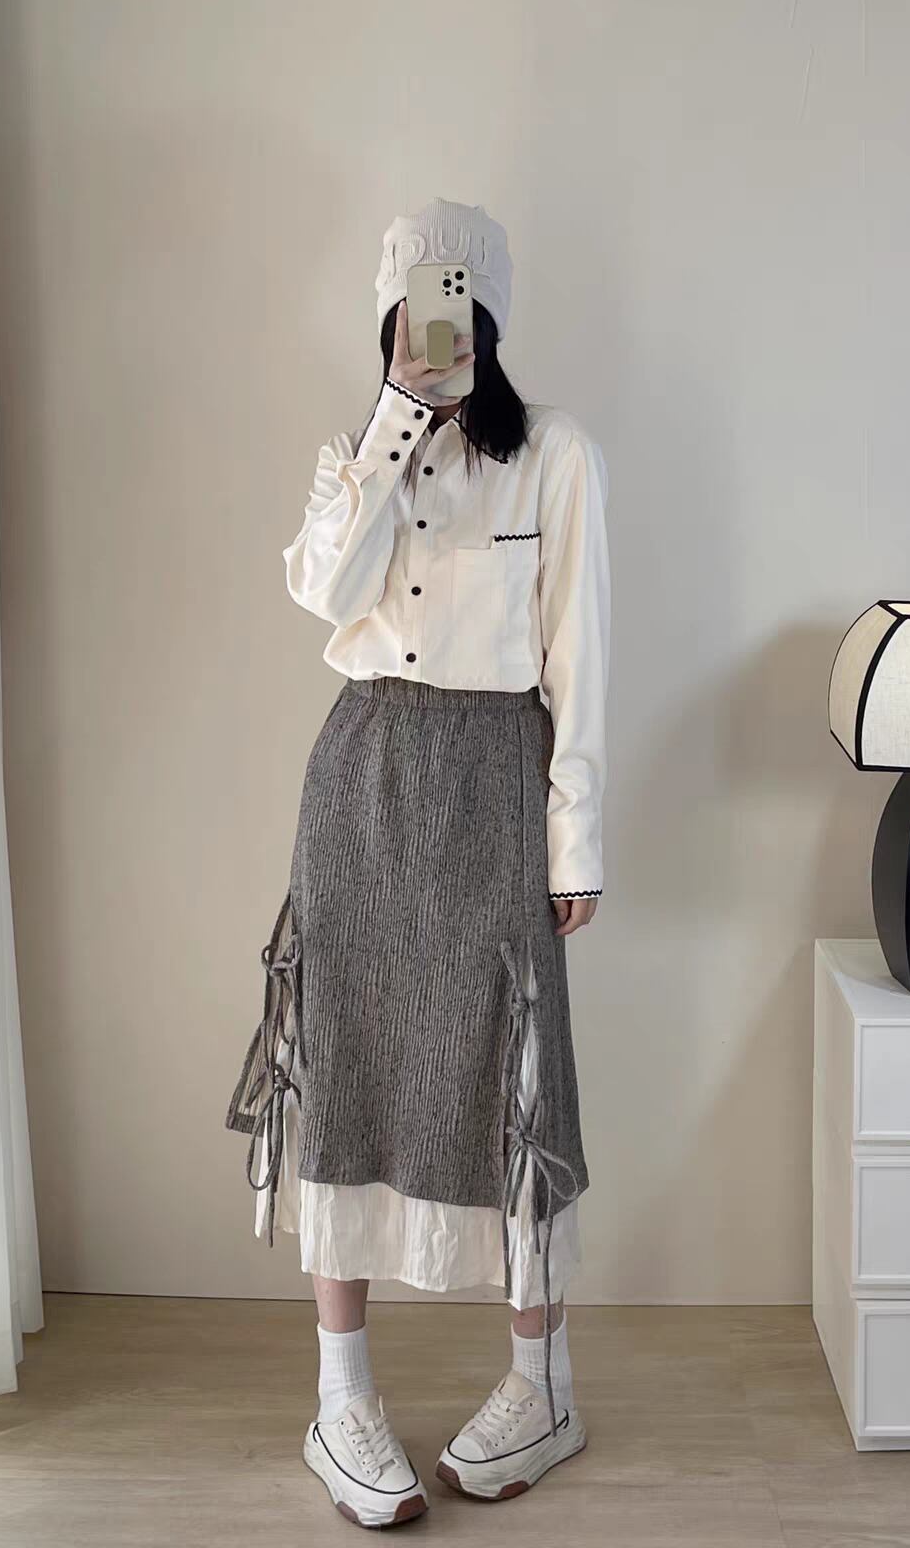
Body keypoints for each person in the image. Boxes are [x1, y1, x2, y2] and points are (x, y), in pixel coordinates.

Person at [227, 197, 610, 1528]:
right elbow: (322, 595)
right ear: (387, 319)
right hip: (360, 781)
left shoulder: (557, 455)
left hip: (497, 782)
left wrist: (576, 839)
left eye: (453, 309)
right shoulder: (355, 460)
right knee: (348, 1067)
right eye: (409, 311)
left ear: (488, 317)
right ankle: (341, 1398)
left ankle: (542, 1385)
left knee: (514, 1075)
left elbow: (580, 657)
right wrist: (396, 418)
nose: (433, 331)